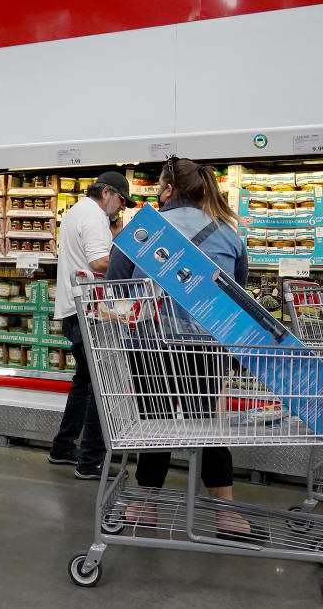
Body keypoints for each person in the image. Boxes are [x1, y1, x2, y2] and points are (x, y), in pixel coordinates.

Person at [106, 156, 255, 538]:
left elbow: (114, 289)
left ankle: (145, 505)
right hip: (205, 344)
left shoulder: (142, 231)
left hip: (149, 343)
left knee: (155, 420)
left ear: (168, 189)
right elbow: (236, 290)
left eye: (158, 184)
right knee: (206, 422)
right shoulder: (228, 232)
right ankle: (224, 512)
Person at [49, 171, 135, 479]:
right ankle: (91, 462)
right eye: (121, 201)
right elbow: (100, 262)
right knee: (102, 386)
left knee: (85, 382)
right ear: (108, 193)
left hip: (76, 309)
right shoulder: (95, 216)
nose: (121, 208)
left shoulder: (75, 211)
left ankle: (62, 446)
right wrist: (135, 263)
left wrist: (115, 233)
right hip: (91, 311)